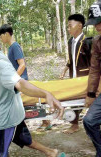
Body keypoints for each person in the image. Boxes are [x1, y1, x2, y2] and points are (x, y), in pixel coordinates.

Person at [0, 32, 65, 157]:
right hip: (14, 111)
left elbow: (20, 84)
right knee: (23, 138)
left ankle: (50, 152)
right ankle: (50, 152)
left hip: (5, 117)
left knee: (1, 152)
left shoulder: (1, 67)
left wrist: (45, 94)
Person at [0, 24, 51, 132]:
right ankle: (42, 122)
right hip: (18, 79)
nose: (0, 39)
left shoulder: (15, 46)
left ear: (7, 34)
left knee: (25, 102)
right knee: (25, 102)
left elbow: (22, 64)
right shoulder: (11, 47)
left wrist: (13, 78)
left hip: (21, 79)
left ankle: (45, 121)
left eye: (1, 36)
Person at [60, 14, 92, 134]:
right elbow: (71, 59)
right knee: (74, 100)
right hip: (73, 75)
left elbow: (93, 61)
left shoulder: (87, 42)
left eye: (70, 26)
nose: (68, 29)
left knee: (89, 100)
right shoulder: (70, 42)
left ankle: (92, 123)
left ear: (79, 25)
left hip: (85, 77)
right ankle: (74, 125)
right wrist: (64, 70)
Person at [83, 1, 101, 156]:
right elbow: (94, 70)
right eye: (96, 24)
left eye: (100, 22)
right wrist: (90, 94)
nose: (98, 27)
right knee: (89, 121)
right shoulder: (97, 41)